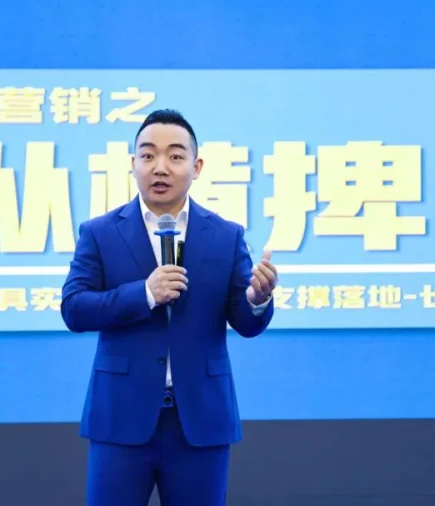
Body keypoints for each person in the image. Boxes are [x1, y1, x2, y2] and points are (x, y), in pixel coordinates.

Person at [60, 109, 279, 506]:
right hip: (121, 418)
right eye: (147, 155)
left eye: (175, 156)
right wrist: (144, 293)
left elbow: (245, 320)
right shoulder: (100, 232)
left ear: (196, 167)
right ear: (133, 164)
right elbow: (74, 308)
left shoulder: (226, 235)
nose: (160, 167)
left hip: (200, 421)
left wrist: (258, 299)